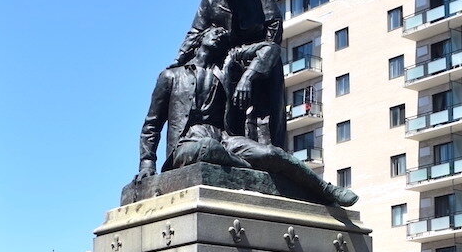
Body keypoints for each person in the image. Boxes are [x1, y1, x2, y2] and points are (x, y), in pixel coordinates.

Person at [135, 26, 357, 207]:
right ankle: (254, 169)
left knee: (272, 153)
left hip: (223, 137)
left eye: (224, 34)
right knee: (207, 148)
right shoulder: (171, 76)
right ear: (201, 38)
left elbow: (269, 49)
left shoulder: (225, 68)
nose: (220, 34)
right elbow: (152, 124)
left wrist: (247, 77)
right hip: (186, 144)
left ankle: (326, 190)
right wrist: (147, 164)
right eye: (215, 32)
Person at [178, 0, 286, 148]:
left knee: (263, 120)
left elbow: (274, 31)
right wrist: (179, 61)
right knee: (225, 116)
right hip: (226, 63)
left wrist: (254, 66)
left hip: (260, 63)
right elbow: (195, 31)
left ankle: (269, 159)